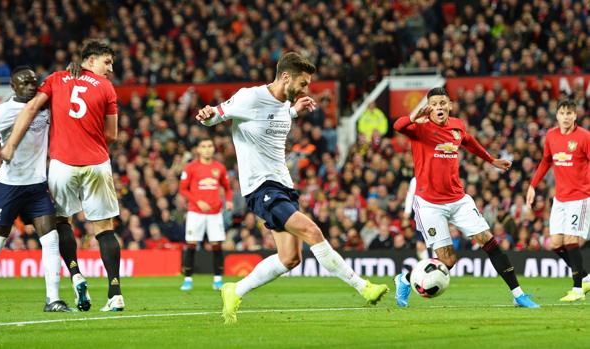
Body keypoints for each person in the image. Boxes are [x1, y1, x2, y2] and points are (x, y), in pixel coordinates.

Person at [196, 52, 389, 324]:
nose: (305, 89)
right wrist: (207, 114)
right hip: (260, 186)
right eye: (303, 83)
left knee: (290, 259)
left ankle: (234, 290)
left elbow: (273, 116)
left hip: (284, 185)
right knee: (312, 230)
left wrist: (294, 111)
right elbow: (215, 115)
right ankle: (363, 287)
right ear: (286, 77)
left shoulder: (284, 106)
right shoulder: (249, 97)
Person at [1, 41, 124, 312]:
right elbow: (113, 135)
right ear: (90, 61)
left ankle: (76, 273)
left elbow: (31, 108)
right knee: (104, 229)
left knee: (61, 221)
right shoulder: (106, 88)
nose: (111, 69)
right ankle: (115, 293)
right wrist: (91, 142)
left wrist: (9, 146)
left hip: (62, 165)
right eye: (107, 62)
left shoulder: (56, 79)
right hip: (97, 164)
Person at [392, 87, 539, 308]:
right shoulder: (419, 128)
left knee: (488, 241)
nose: (439, 107)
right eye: (434, 104)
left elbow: (468, 141)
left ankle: (518, 294)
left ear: (449, 105)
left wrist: (491, 160)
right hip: (430, 204)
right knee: (448, 261)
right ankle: (404, 279)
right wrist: (415, 116)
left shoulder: (457, 126)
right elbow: (398, 126)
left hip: (458, 200)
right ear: (428, 107)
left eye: (443, 103)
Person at [0, 66, 70, 313]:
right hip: (9, 187)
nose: (30, 86)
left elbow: (66, 84)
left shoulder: (44, 104)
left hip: (36, 186)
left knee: (51, 239)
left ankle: (53, 300)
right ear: (13, 87)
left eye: (33, 82)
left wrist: (74, 69)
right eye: (24, 83)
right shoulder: (5, 111)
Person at [526, 100, 590, 301]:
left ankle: (578, 289)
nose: (566, 116)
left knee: (571, 240)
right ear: (557, 116)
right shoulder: (551, 136)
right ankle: (585, 276)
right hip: (560, 198)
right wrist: (532, 186)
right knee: (555, 244)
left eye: (569, 113)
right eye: (562, 113)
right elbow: (546, 161)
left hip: (580, 197)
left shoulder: (585, 137)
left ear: (575, 116)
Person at [179, 137, 233, 291]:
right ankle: (188, 279)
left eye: (210, 146)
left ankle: (218, 279)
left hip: (215, 213)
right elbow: (183, 189)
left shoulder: (220, 168)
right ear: (198, 149)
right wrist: (198, 201)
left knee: (216, 244)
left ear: (214, 149)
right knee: (191, 243)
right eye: (203, 146)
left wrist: (229, 201)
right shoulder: (190, 167)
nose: (207, 149)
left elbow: (228, 188)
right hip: (195, 212)